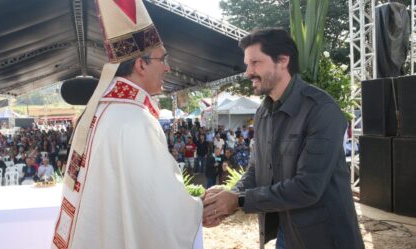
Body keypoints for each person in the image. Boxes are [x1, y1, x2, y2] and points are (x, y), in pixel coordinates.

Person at [52, 1, 202, 248]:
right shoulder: (134, 120)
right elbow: (157, 204)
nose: (168, 67)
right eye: (163, 58)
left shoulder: (100, 111)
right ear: (141, 64)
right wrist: (198, 208)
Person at [202, 28, 364, 249]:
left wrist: (240, 201)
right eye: (247, 64)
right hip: (285, 232)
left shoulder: (321, 110)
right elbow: (256, 171)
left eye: (255, 63)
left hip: (325, 237)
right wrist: (232, 195)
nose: (248, 72)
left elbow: (308, 187)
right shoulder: (262, 113)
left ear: (283, 61)